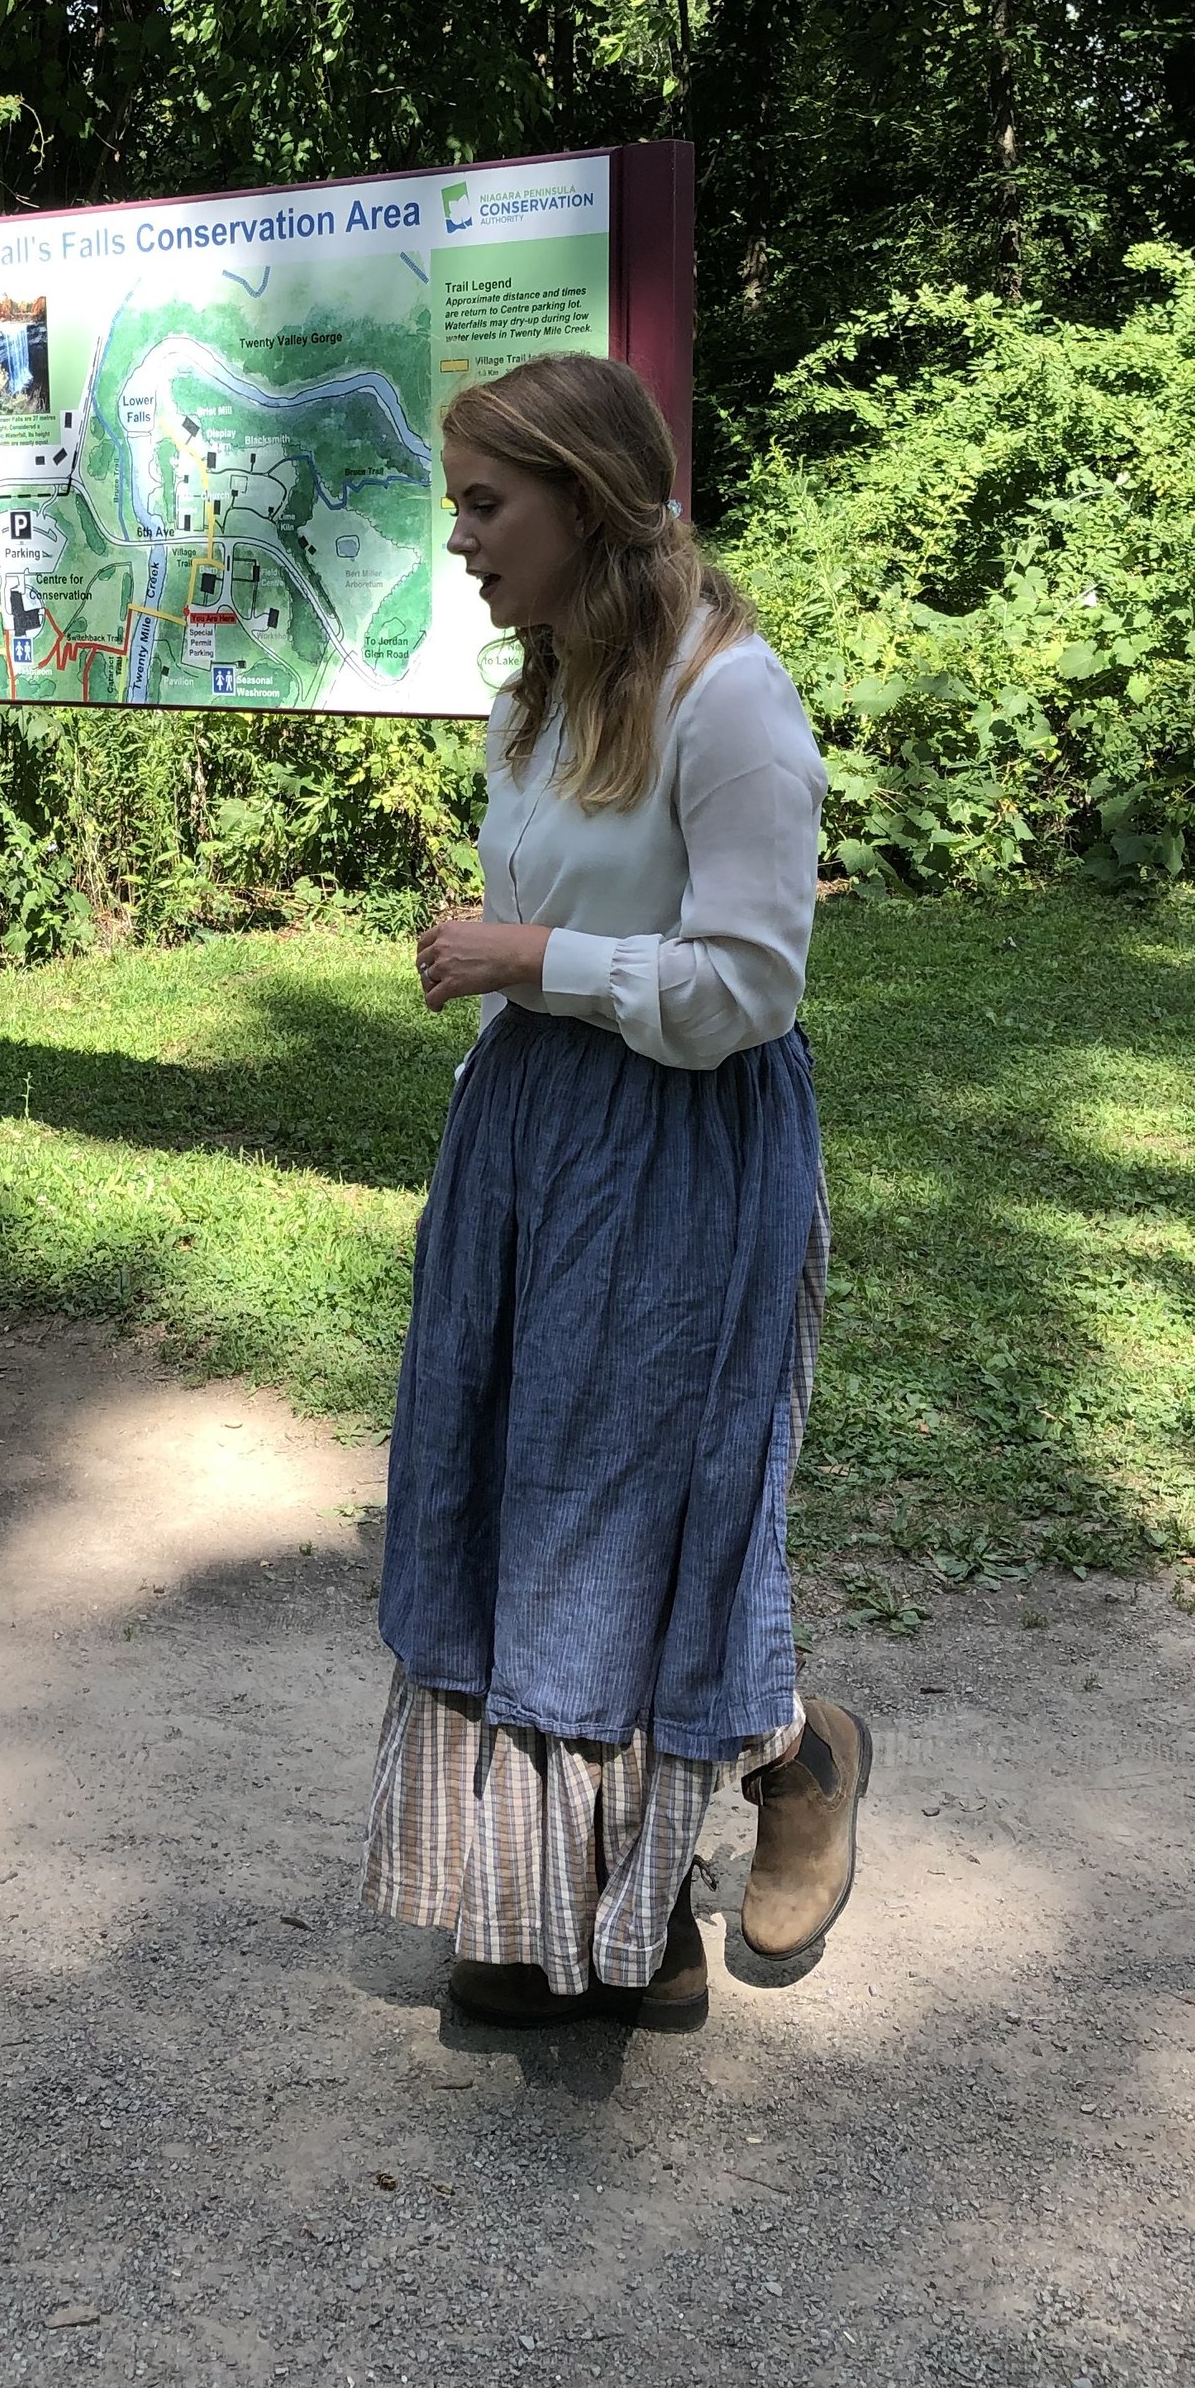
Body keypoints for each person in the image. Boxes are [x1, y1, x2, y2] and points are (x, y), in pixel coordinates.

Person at [362, 351, 872, 2029]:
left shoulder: (733, 699)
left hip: (686, 1150)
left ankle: (788, 1773)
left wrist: (533, 952)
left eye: (487, 506)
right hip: (537, 1138)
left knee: (642, 1525)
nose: (462, 541)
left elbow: (749, 987)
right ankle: (556, 1912)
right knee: (521, 1503)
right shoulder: (545, 690)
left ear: (583, 503)